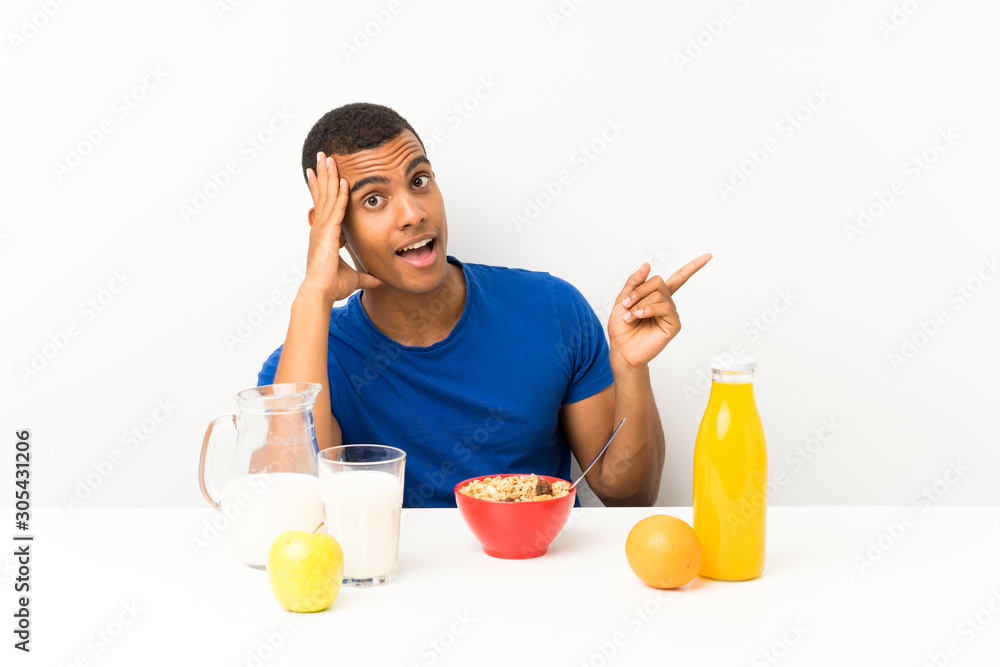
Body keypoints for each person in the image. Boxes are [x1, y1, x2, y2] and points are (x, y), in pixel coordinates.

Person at [257, 102, 711, 508]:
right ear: (331, 229)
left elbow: (629, 495)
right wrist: (312, 294)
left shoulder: (553, 310)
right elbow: (292, 508)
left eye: (419, 181)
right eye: (373, 199)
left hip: (534, 573)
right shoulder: (305, 364)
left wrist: (631, 368)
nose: (413, 212)